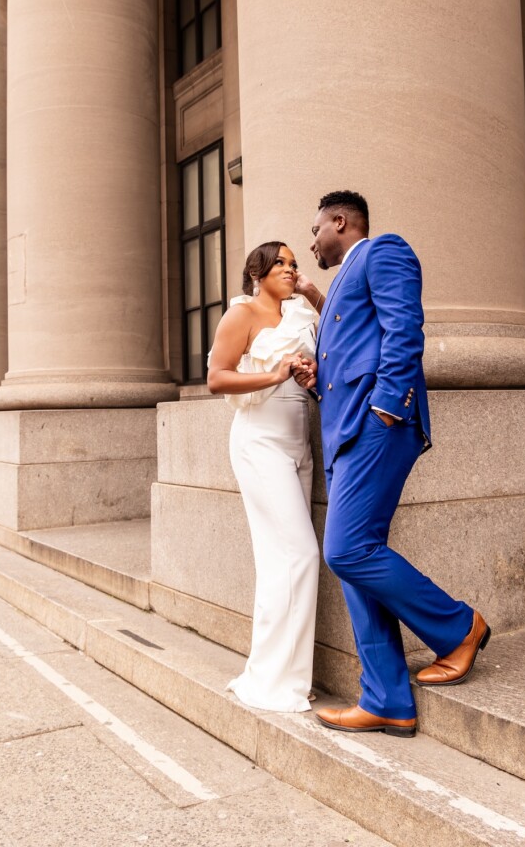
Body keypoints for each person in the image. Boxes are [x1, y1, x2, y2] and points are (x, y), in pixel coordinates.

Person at [294, 191, 490, 737]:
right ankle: (386, 698)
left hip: (376, 425)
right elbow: (352, 358)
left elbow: (405, 330)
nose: (311, 241)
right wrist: (317, 383)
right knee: (356, 562)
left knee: (346, 550)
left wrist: (386, 406)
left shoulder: (384, 251)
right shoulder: (339, 284)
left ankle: (458, 626)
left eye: (316, 230)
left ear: (340, 222)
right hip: (345, 430)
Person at [207, 241, 323, 711]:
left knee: (283, 562)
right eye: (281, 262)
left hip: (300, 444)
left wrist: (306, 374)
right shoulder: (242, 314)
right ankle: (274, 679)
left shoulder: (302, 315)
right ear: (258, 270)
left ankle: (286, 678)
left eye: (295, 263)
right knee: (301, 554)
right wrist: (274, 376)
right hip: (259, 443)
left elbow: (338, 324)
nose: (290, 269)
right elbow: (217, 377)